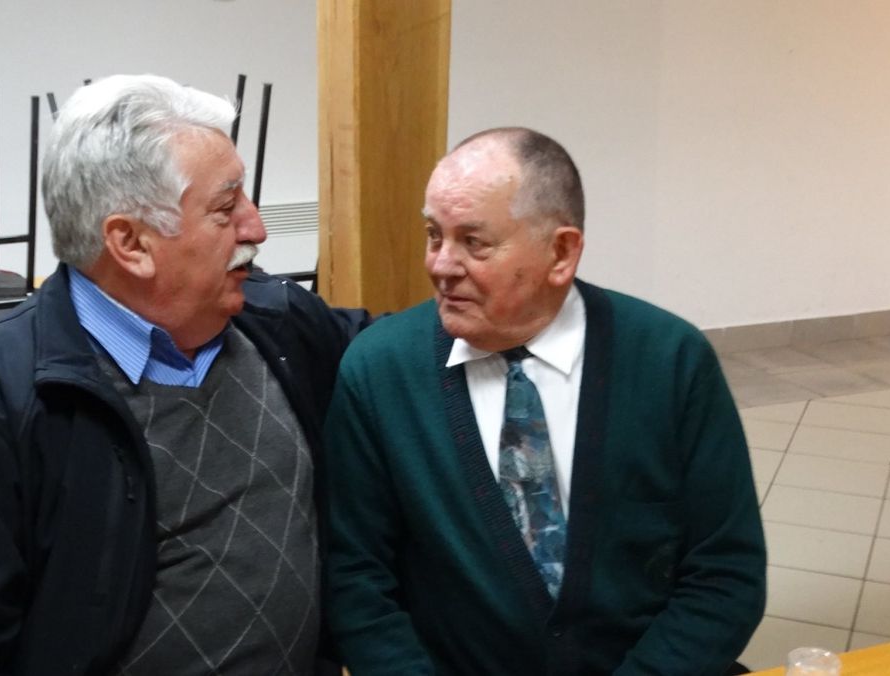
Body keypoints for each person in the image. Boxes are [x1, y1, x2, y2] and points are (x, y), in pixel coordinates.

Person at [0, 74, 365, 675]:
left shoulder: (280, 324)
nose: (256, 228)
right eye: (225, 208)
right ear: (130, 243)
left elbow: (401, 353)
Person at [324, 127, 765, 675]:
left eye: (474, 242)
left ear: (561, 252)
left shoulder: (669, 359)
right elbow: (356, 580)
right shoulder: (381, 371)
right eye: (434, 235)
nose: (440, 265)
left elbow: (726, 573)